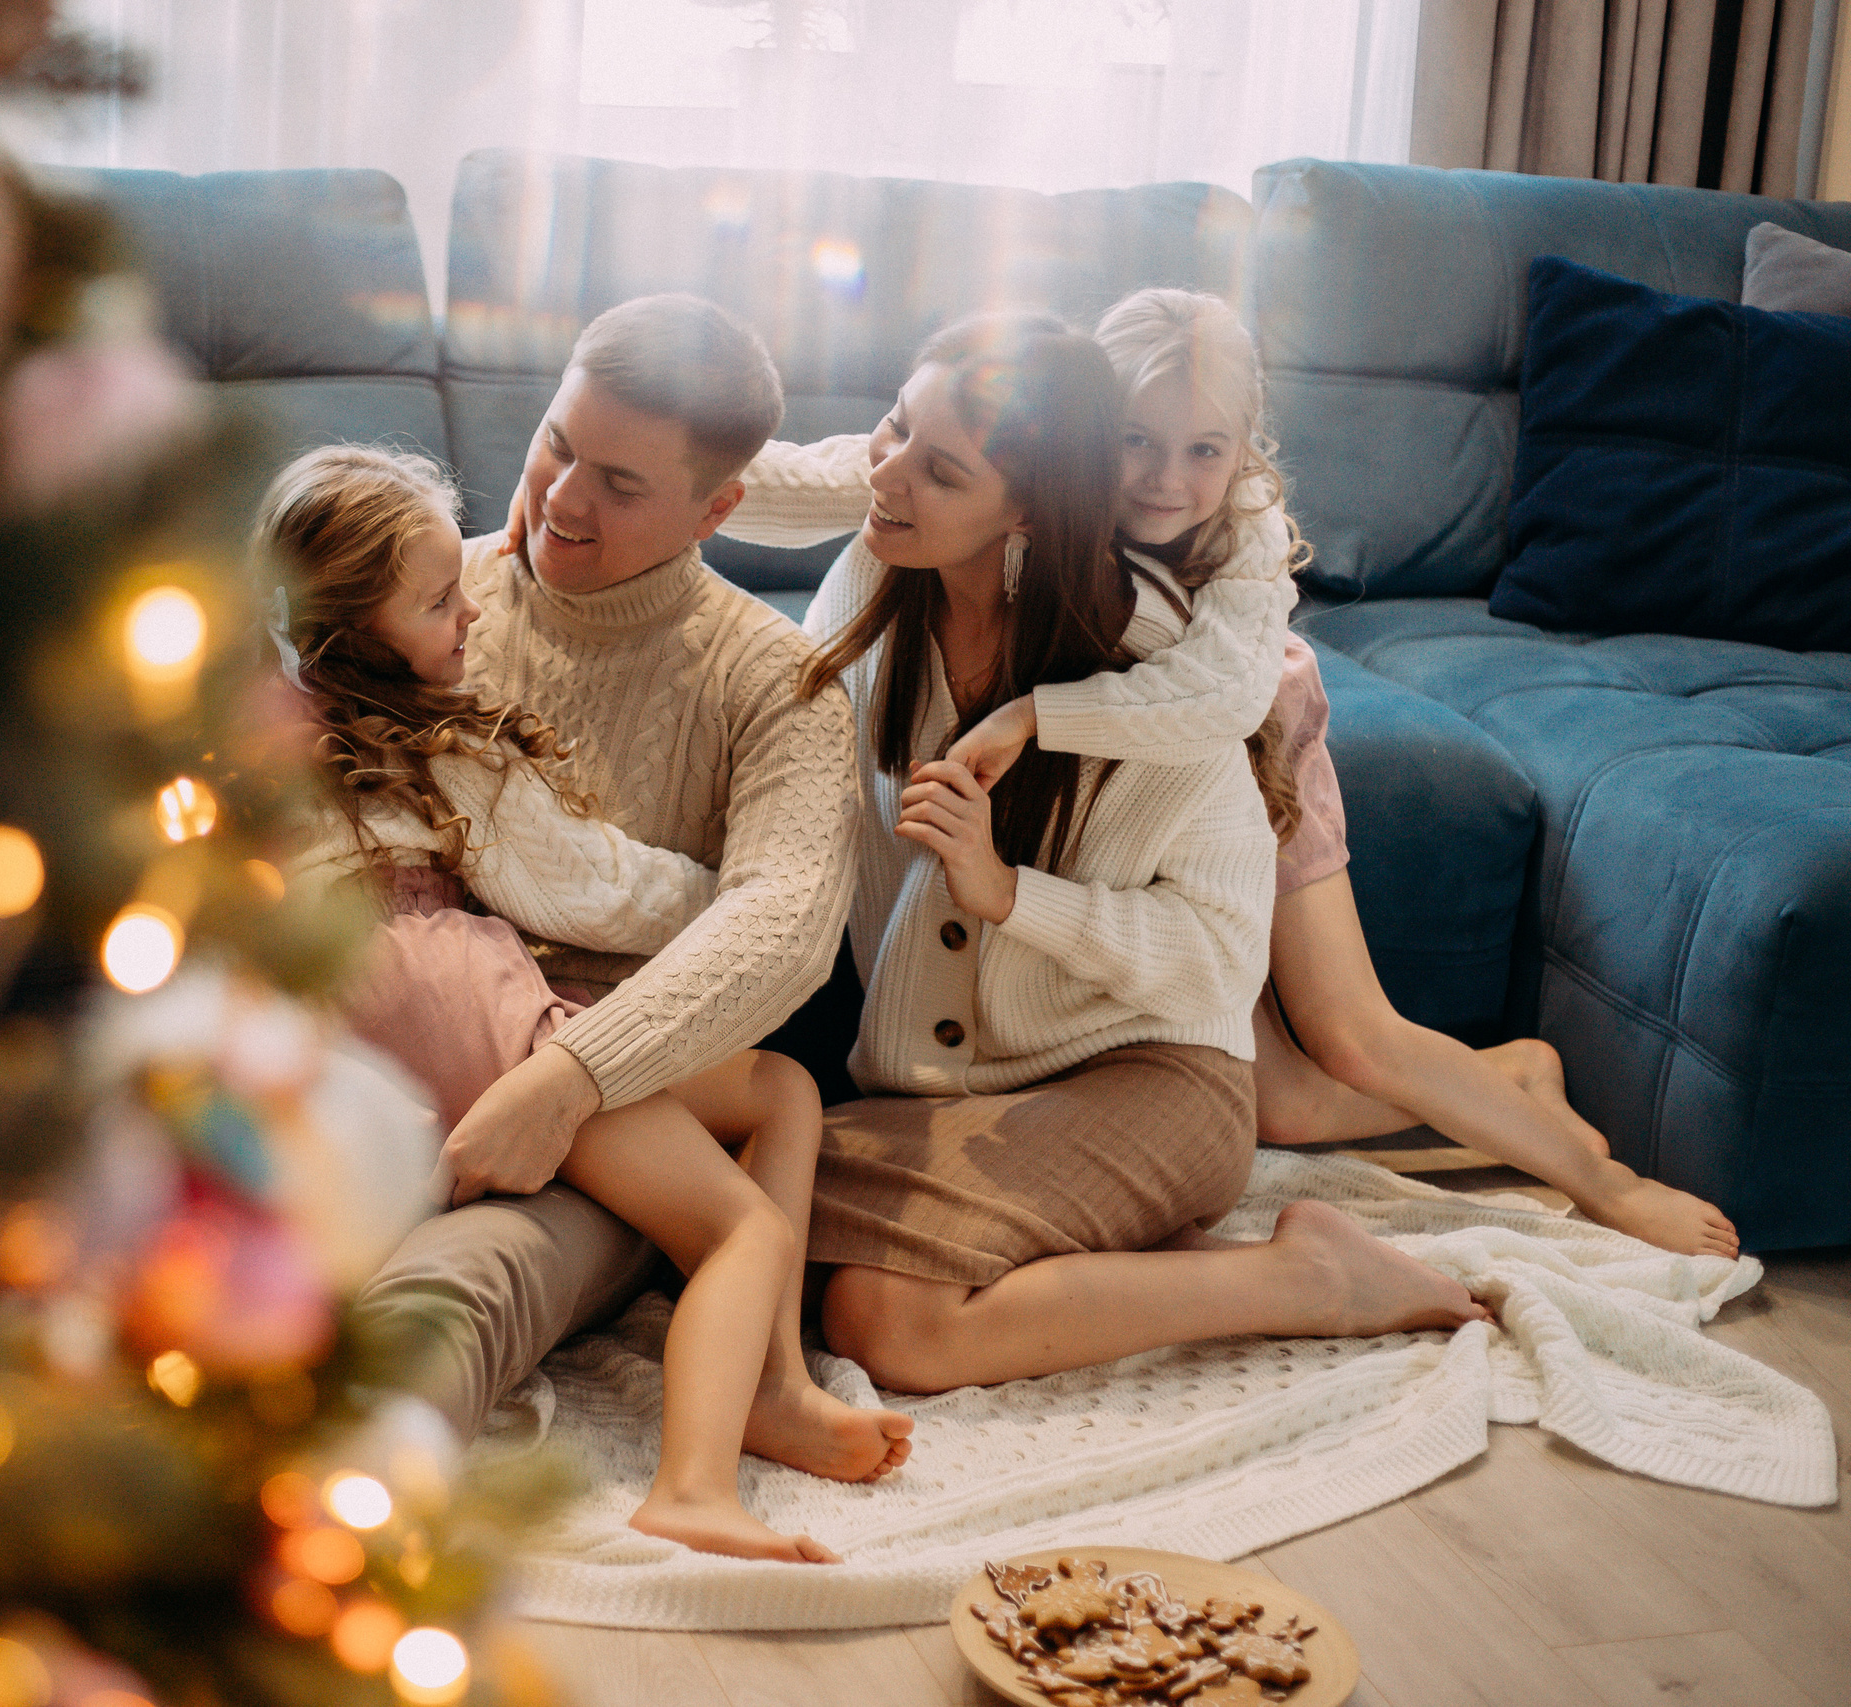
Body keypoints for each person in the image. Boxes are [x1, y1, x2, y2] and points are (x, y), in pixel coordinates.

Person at [727, 288, 1736, 1258]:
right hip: (1121, 759)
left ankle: (1602, 1181)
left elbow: (1213, 698)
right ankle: (1508, 1076)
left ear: (1241, 451)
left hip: (1246, 732)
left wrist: (1033, 716)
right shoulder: (1001, 471)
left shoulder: (1238, 544)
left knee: (1348, 1037)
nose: (1164, 480)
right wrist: (655, 478)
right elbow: (840, 476)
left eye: (1204, 450)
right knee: (1279, 1099)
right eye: (1135, 444)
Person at [775, 311, 1490, 1394]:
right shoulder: (872, 588)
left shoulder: (1148, 679)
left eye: (940, 468)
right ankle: (1143, 1261)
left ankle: (1306, 1281)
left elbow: (1215, 957)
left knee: (880, 1316)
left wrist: (1012, 895)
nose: (886, 474)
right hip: (950, 1090)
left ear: (1023, 507)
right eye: (892, 427)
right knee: (751, 1229)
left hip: (1156, 1081)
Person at [263, 445, 906, 1558]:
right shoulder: (442, 747)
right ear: (353, 633)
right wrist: (728, 899)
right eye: (434, 600)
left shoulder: (273, 728)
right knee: (739, 1226)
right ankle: (695, 1486)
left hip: (349, 998)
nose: (469, 608)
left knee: (785, 1094)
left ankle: (780, 1385)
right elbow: (598, 886)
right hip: (447, 991)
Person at [347, 294, 862, 1458]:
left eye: (621, 485)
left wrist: (571, 1079)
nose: (562, 499)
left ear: (717, 507)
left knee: (452, 1297)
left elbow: (785, 925)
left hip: (608, 1098)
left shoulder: (776, 683)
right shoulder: (431, 601)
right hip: (383, 1036)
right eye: (556, 444)